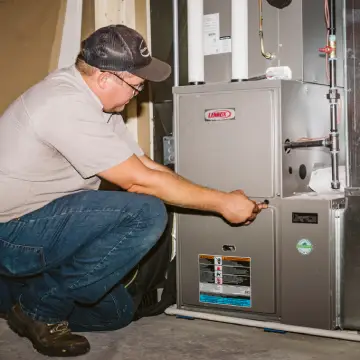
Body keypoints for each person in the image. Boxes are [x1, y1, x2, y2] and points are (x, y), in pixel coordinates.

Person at [0, 25, 267, 357]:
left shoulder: (99, 107)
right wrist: (222, 204)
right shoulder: (63, 103)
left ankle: (12, 296)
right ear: (105, 78)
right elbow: (138, 181)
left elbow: (146, 167)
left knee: (114, 313)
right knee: (145, 212)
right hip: (11, 233)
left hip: (45, 226)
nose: (137, 94)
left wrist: (219, 195)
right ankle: (38, 310)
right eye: (137, 86)